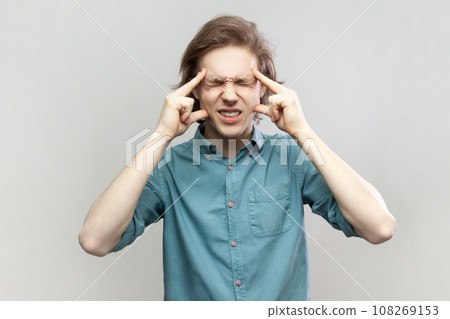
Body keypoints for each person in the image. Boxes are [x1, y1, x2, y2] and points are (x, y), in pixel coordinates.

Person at [79, 15, 396, 300]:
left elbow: (379, 227)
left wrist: (304, 133)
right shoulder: (170, 169)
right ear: (196, 91)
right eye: (215, 82)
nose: (229, 95)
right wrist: (161, 134)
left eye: (243, 81)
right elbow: (95, 240)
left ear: (262, 88)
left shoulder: (292, 160)